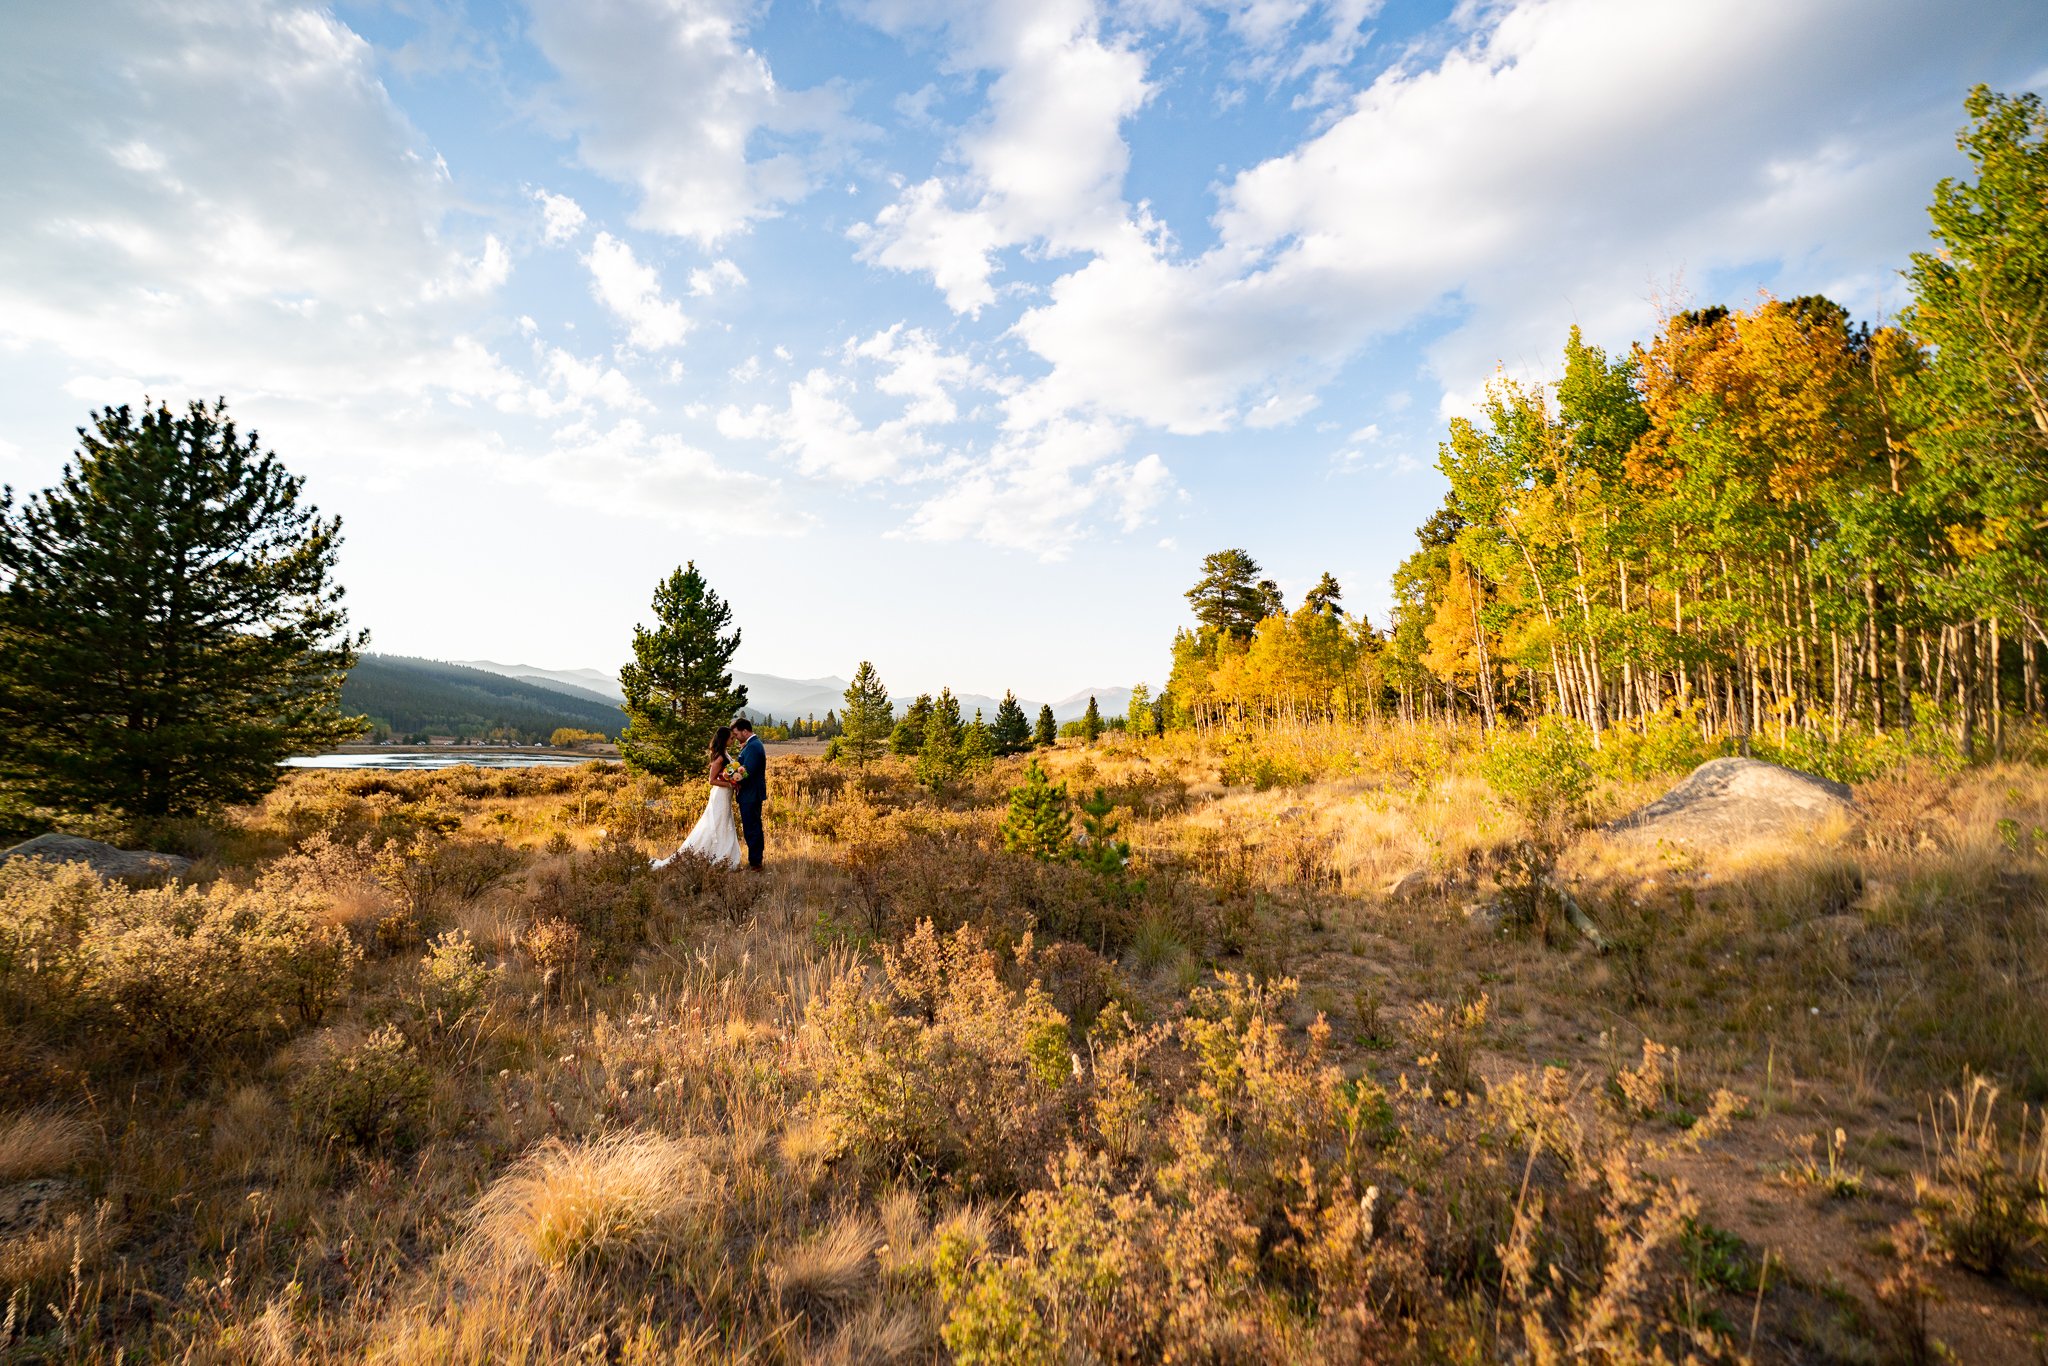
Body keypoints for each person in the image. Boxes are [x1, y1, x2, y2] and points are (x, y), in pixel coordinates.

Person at [652, 725, 745, 869]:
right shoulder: (720, 757)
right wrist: (730, 784)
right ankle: (714, 855)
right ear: (724, 739)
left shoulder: (725, 754)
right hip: (720, 795)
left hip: (726, 795)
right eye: (731, 738)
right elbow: (711, 780)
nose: (733, 740)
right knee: (716, 824)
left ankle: (723, 855)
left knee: (725, 823)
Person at [729, 717, 768, 871]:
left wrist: (733, 781)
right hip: (750, 794)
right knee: (752, 826)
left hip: (751, 794)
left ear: (745, 731)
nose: (736, 737)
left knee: (752, 827)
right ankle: (755, 861)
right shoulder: (751, 745)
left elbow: (747, 772)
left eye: (737, 734)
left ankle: (755, 863)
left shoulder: (753, 747)